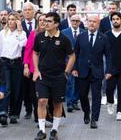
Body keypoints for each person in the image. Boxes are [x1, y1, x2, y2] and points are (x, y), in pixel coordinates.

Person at [33, 12, 75, 140]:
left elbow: (72, 56)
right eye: (44, 20)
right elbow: (35, 53)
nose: (45, 23)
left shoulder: (64, 39)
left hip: (58, 77)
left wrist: (66, 73)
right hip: (43, 76)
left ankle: (54, 130)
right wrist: (36, 70)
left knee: (57, 103)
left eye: (49, 21)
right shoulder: (39, 36)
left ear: (56, 24)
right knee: (42, 101)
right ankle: (41, 131)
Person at [72, 14, 112, 129]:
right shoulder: (81, 37)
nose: (92, 23)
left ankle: (94, 119)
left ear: (98, 23)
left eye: (94, 22)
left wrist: (108, 71)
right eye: (90, 21)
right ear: (86, 23)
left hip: (97, 72)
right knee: (82, 95)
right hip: (82, 71)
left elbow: (108, 56)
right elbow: (76, 54)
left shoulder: (103, 38)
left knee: (96, 96)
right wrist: (74, 68)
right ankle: (86, 112)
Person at [0, 12, 27, 125]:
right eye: (9, 19)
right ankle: (3, 112)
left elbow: (23, 44)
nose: (10, 21)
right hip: (5, 62)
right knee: (7, 88)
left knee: (17, 89)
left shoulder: (22, 33)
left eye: (13, 19)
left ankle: (14, 113)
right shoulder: (2, 33)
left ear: (18, 21)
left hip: (17, 63)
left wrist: (19, 30)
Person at [23, 14, 46, 123]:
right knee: (35, 94)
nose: (42, 22)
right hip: (34, 68)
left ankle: (47, 116)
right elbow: (28, 50)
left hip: (48, 68)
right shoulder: (33, 34)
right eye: (40, 20)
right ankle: (38, 116)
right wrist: (26, 66)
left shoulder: (53, 34)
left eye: (44, 20)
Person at [61, 14, 85, 112]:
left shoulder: (84, 32)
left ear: (80, 22)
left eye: (77, 21)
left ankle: (75, 101)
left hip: (80, 61)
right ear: (70, 21)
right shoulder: (64, 32)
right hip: (68, 61)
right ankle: (69, 103)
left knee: (79, 82)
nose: (75, 22)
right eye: (73, 20)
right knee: (70, 82)